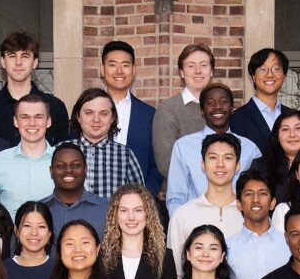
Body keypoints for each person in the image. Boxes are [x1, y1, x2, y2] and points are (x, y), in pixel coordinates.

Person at [166, 82, 262, 215]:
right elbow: (176, 198)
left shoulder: (250, 149)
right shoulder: (183, 147)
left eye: (224, 102)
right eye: (210, 103)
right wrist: (187, 228)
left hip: (238, 225)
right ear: (202, 110)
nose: (218, 107)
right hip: (197, 226)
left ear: (232, 108)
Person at [166, 134, 245, 277]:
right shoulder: (182, 215)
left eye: (228, 158)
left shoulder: (249, 214)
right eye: (213, 157)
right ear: (203, 164)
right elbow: (175, 272)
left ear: (238, 165)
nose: (220, 164)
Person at [0, 31, 69, 145]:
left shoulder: (55, 107)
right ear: (3, 62)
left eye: (25, 56)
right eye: (12, 56)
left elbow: (62, 154)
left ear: (35, 62)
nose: (18, 62)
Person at [99, 40, 160, 195]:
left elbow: (156, 165)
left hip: (136, 202)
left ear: (133, 70)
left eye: (125, 65)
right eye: (112, 65)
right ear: (102, 69)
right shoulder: (86, 110)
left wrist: (145, 195)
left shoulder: (149, 115)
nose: (119, 71)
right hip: (93, 200)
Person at [152, 43, 214, 193]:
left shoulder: (221, 108)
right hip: (182, 196)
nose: (198, 71)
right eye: (191, 66)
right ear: (181, 72)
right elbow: (166, 164)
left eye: (204, 65)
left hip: (221, 197)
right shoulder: (168, 109)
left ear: (211, 71)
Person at [67, 87, 145, 198]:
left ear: (113, 117)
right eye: (89, 113)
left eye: (103, 113)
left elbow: (140, 199)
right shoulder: (61, 151)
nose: (96, 119)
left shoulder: (125, 155)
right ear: (78, 116)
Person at [0, 95, 56, 215]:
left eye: (39, 117)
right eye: (25, 117)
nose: (32, 123)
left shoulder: (65, 162)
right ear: (15, 121)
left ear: (48, 121)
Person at [40, 142, 110, 238]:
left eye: (75, 165)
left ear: (85, 170)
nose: (68, 170)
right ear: (51, 171)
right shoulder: (37, 210)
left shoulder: (107, 209)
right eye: (60, 166)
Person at [231, 48, 289, 155]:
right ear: (253, 77)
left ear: (284, 76)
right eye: (263, 69)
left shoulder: (292, 116)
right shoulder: (238, 117)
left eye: (276, 69)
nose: (270, 75)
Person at [257, 109, 300, 202]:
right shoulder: (261, 165)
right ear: (277, 137)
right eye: (285, 129)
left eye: (298, 128)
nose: (292, 135)